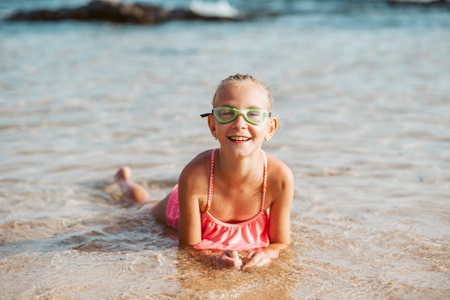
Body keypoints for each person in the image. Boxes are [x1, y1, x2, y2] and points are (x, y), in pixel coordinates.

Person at [114, 74, 294, 269]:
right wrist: (213, 260)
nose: (240, 123)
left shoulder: (280, 178)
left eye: (253, 114)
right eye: (227, 113)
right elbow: (188, 247)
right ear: (212, 125)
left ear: (270, 128)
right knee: (144, 206)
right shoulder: (194, 176)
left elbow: (281, 243)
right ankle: (124, 181)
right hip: (191, 202)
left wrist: (267, 254)